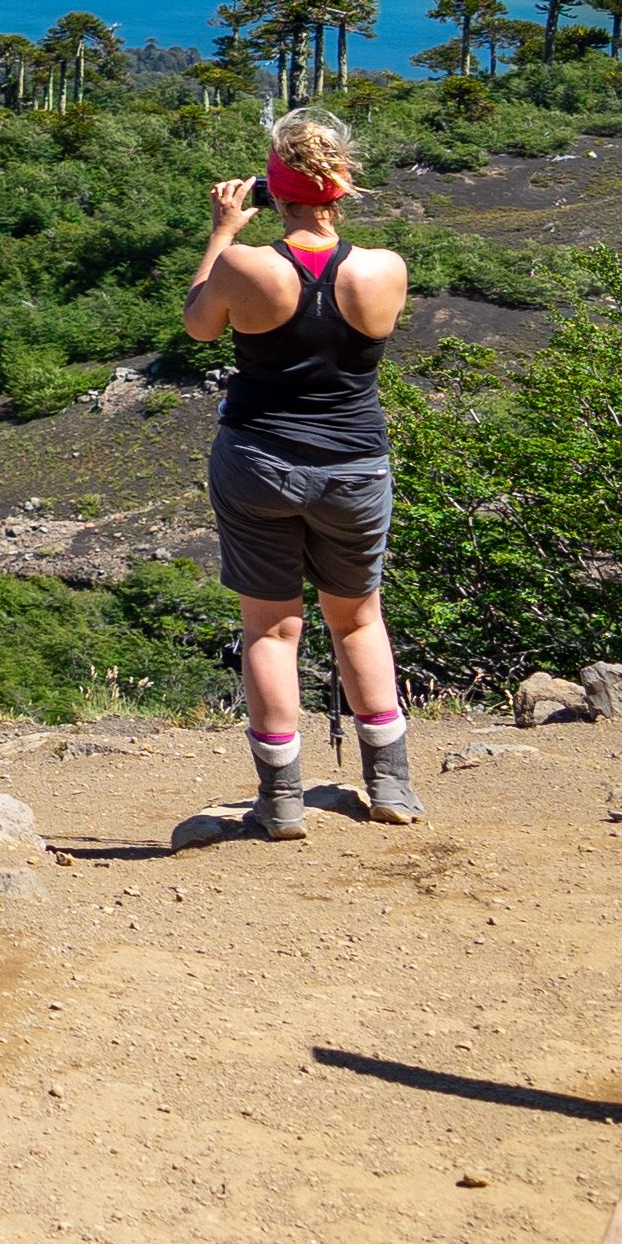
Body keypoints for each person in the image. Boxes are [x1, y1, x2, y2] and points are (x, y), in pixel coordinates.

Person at [180, 110, 420, 838]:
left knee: (270, 628)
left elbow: (197, 324)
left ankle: (281, 802)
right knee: (357, 618)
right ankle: (392, 787)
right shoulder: (384, 268)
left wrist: (222, 232)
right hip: (353, 463)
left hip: (259, 458)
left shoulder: (244, 266)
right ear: (338, 188)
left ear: (268, 190)